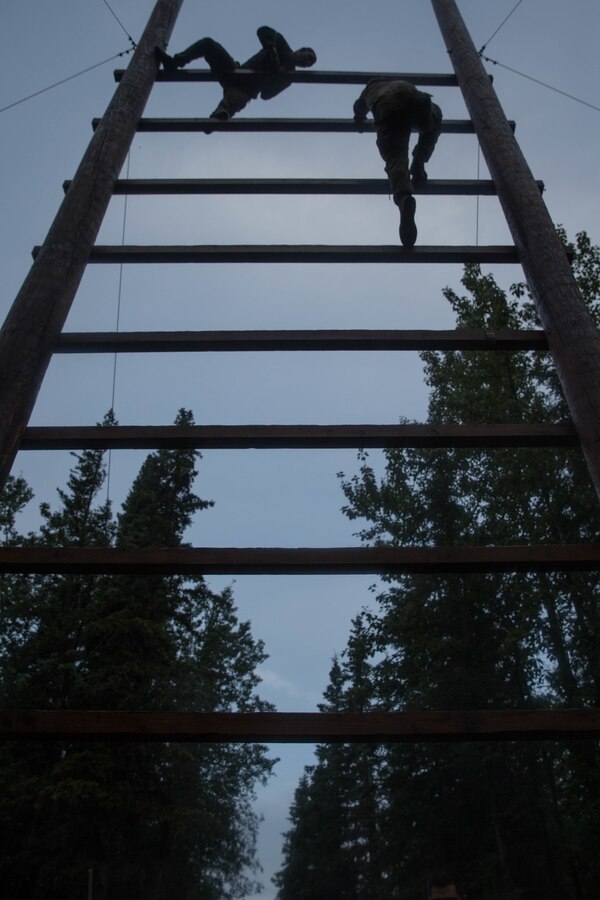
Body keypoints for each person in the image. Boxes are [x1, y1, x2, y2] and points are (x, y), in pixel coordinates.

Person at [353, 78, 442, 248]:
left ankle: (403, 198)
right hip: (417, 100)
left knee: (396, 157)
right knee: (435, 116)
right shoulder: (402, 82)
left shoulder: (370, 89)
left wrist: (358, 118)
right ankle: (419, 160)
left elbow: (359, 108)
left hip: (388, 105)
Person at [156, 27, 317, 121]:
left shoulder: (288, 78)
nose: (306, 62)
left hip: (247, 89)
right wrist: (272, 50)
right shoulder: (281, 43)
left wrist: (275, 75)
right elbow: (262, 31)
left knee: (232, 105)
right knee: (208, 44)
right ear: (301, 50)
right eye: (308, 57)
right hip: (236, 71)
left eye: (309, 63)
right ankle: (174, 63)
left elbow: (266, 95)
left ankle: (219, 116)